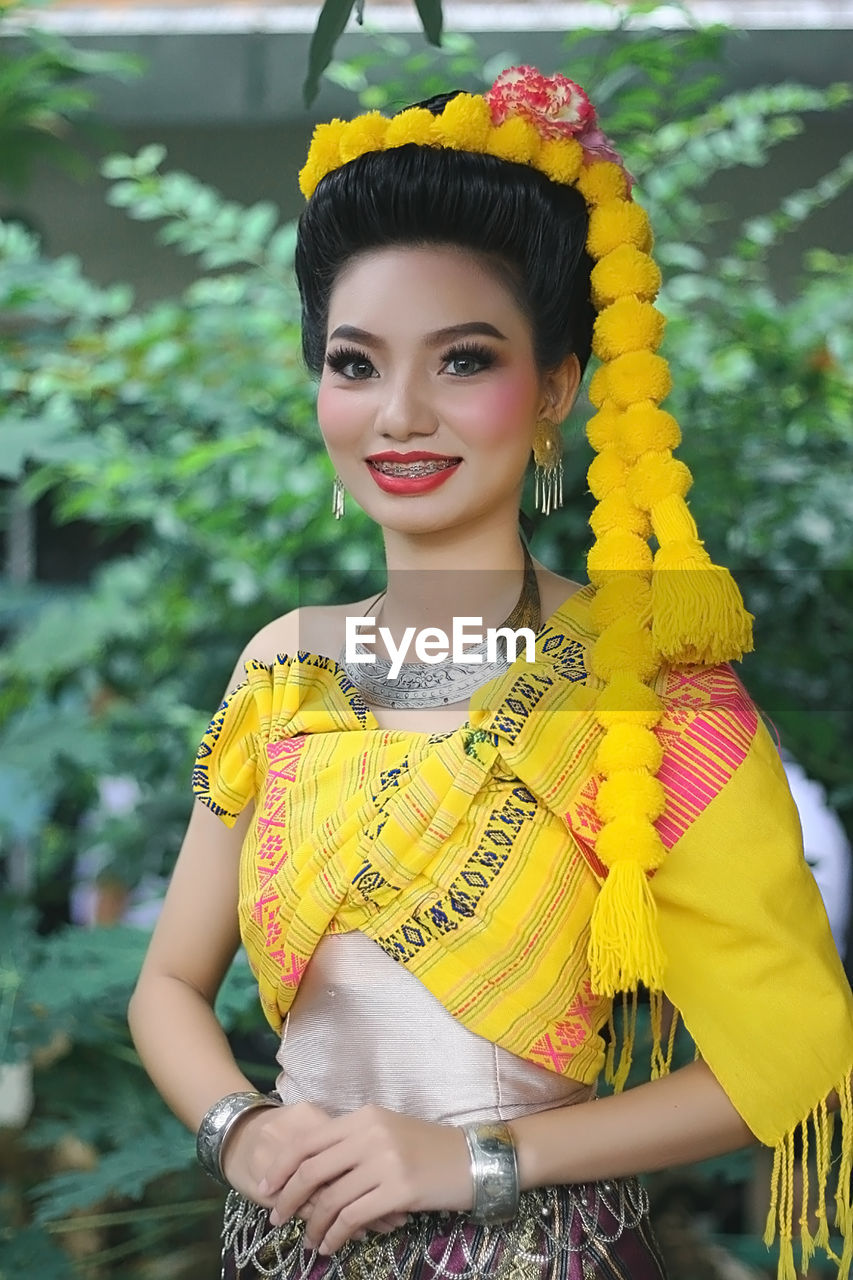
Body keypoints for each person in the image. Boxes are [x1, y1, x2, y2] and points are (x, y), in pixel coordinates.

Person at [127, 67, 853, 1280]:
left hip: (547, 1255)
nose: (400, 412)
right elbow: (165, 983)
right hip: (283, 1249)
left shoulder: (648, 685)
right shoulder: (283, 666)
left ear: (557, 386)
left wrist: (474, 1159)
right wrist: (240, 1129)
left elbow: (792, 1051)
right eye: (355, 363)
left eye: (463, 360)